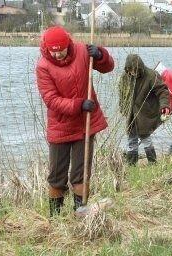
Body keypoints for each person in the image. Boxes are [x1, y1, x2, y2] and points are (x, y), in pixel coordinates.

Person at [36, 26, 114, 217]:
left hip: (84, 124)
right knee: (56, 175)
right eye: (53, 52)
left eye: (60, 51)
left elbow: (108, 67)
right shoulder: (43, 66)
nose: (57, 55)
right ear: (47, 49)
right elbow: (51, 100)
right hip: (60, 126)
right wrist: (79, 105)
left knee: (80, 174)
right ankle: (55, 217)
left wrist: (101, 55)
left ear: (68, 44)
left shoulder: (82, 51)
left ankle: (80, 213)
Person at [118, 54, 170, 165]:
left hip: (145, 113)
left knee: (145, 138)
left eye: (135, 70)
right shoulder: (125, 77)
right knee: (131, 140)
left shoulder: (152, 75)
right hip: (131, 114)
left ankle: (153, 163)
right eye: (131, 70)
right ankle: (131, 165)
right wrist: (123, 108)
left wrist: (164, 106)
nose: (133, 73)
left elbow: (163, 91)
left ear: (139, 67)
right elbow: (122, 93)